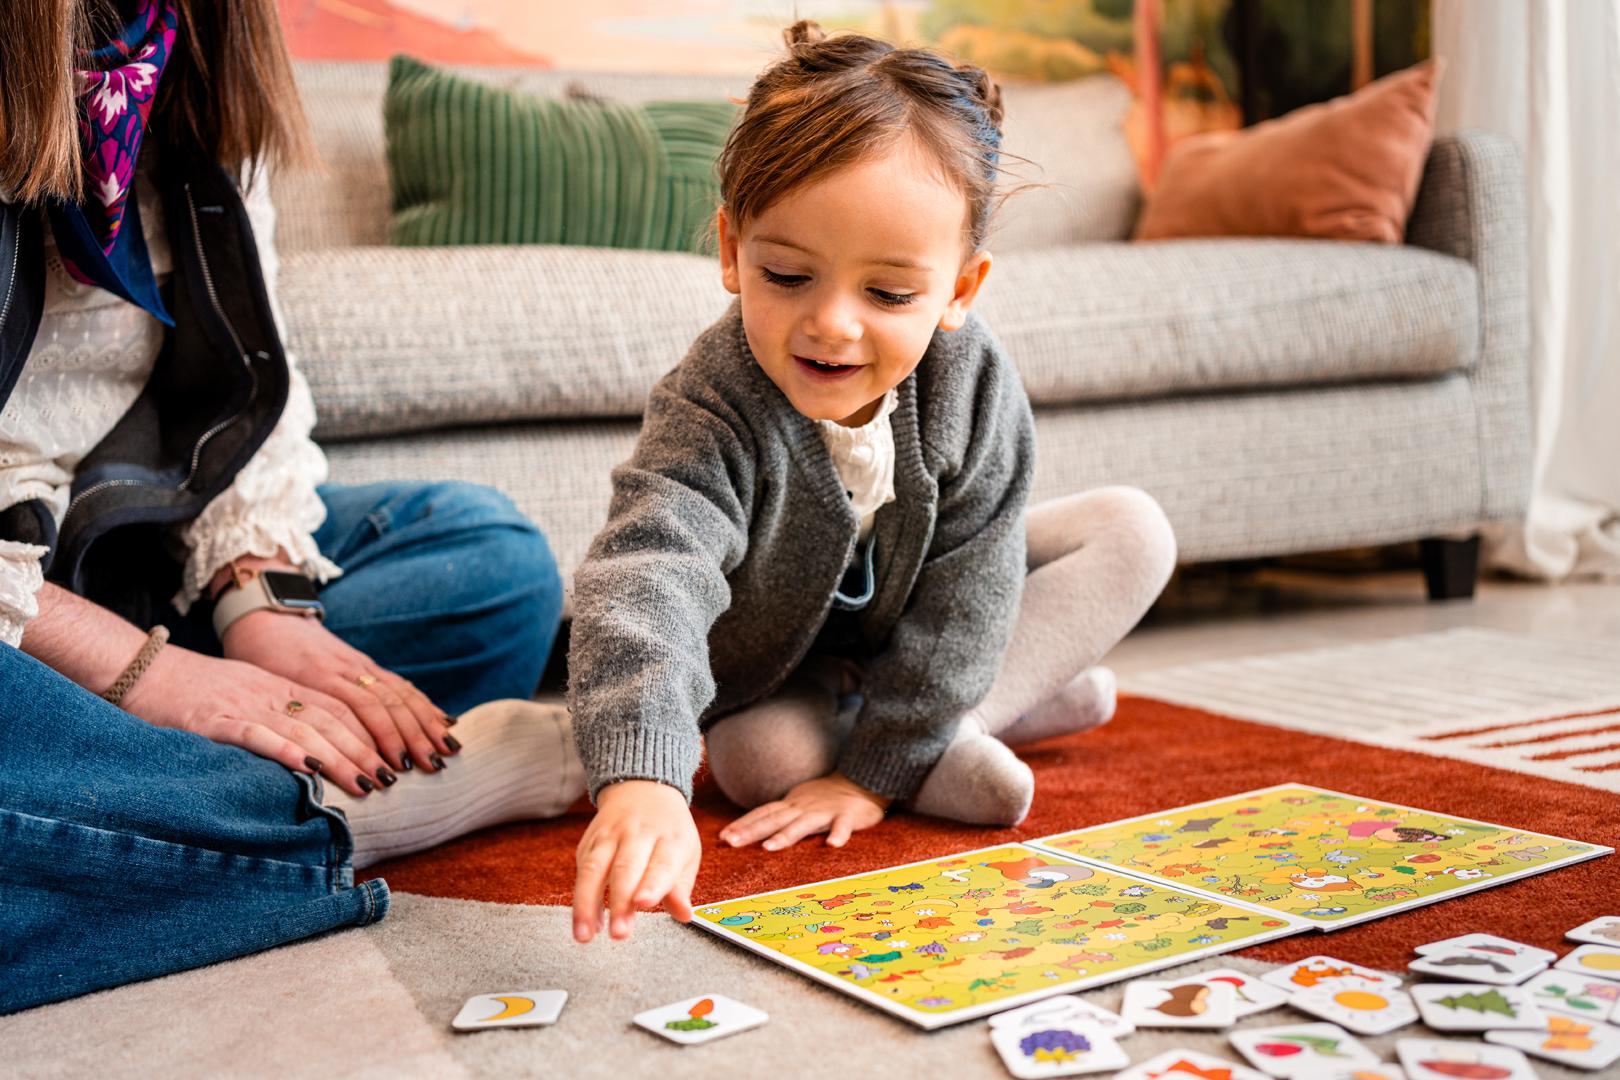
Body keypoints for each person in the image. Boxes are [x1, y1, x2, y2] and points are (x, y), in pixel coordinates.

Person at [1, 0, 571, 1013]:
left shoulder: (190, 52)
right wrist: (141, 673)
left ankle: (141, 800)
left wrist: (255, 602)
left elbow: (251, 397)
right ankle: (339, 815)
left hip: (122, 547)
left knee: (487, 564)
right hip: (32, 611)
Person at [564, 21, 1179, 946]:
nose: (833, 326)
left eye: (889, 296)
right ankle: (994, 714)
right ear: (733, 250)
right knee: (753, 758)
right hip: (782, 667)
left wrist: (868, 777)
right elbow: (648, 571)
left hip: (923, 611)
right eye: (785, 274)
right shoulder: (711, 402)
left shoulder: (972, 384)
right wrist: (644, 778)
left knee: (1133, 530)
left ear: (959, 290)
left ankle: (934, 727)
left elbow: (973, 586)